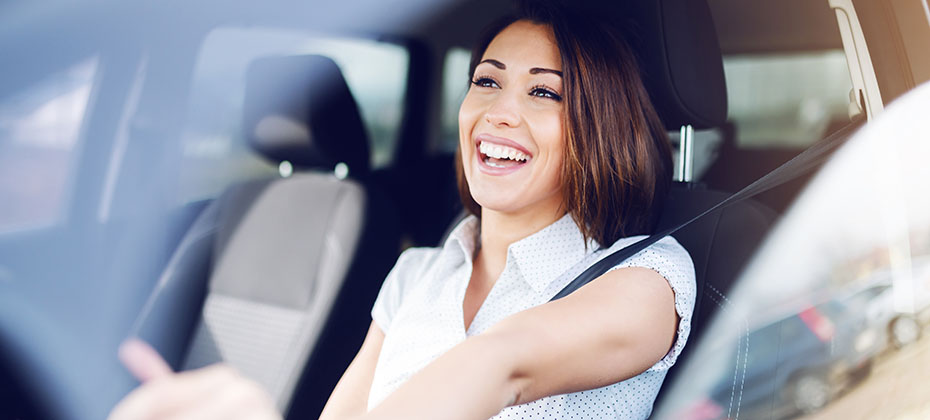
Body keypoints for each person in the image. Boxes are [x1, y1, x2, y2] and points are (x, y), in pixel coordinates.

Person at [108, 2, 695, 419]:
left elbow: (502, 362)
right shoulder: (415, 274)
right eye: (487, 82)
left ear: (599, 131)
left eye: (544, 92)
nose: (498, 113)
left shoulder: (648, 278)